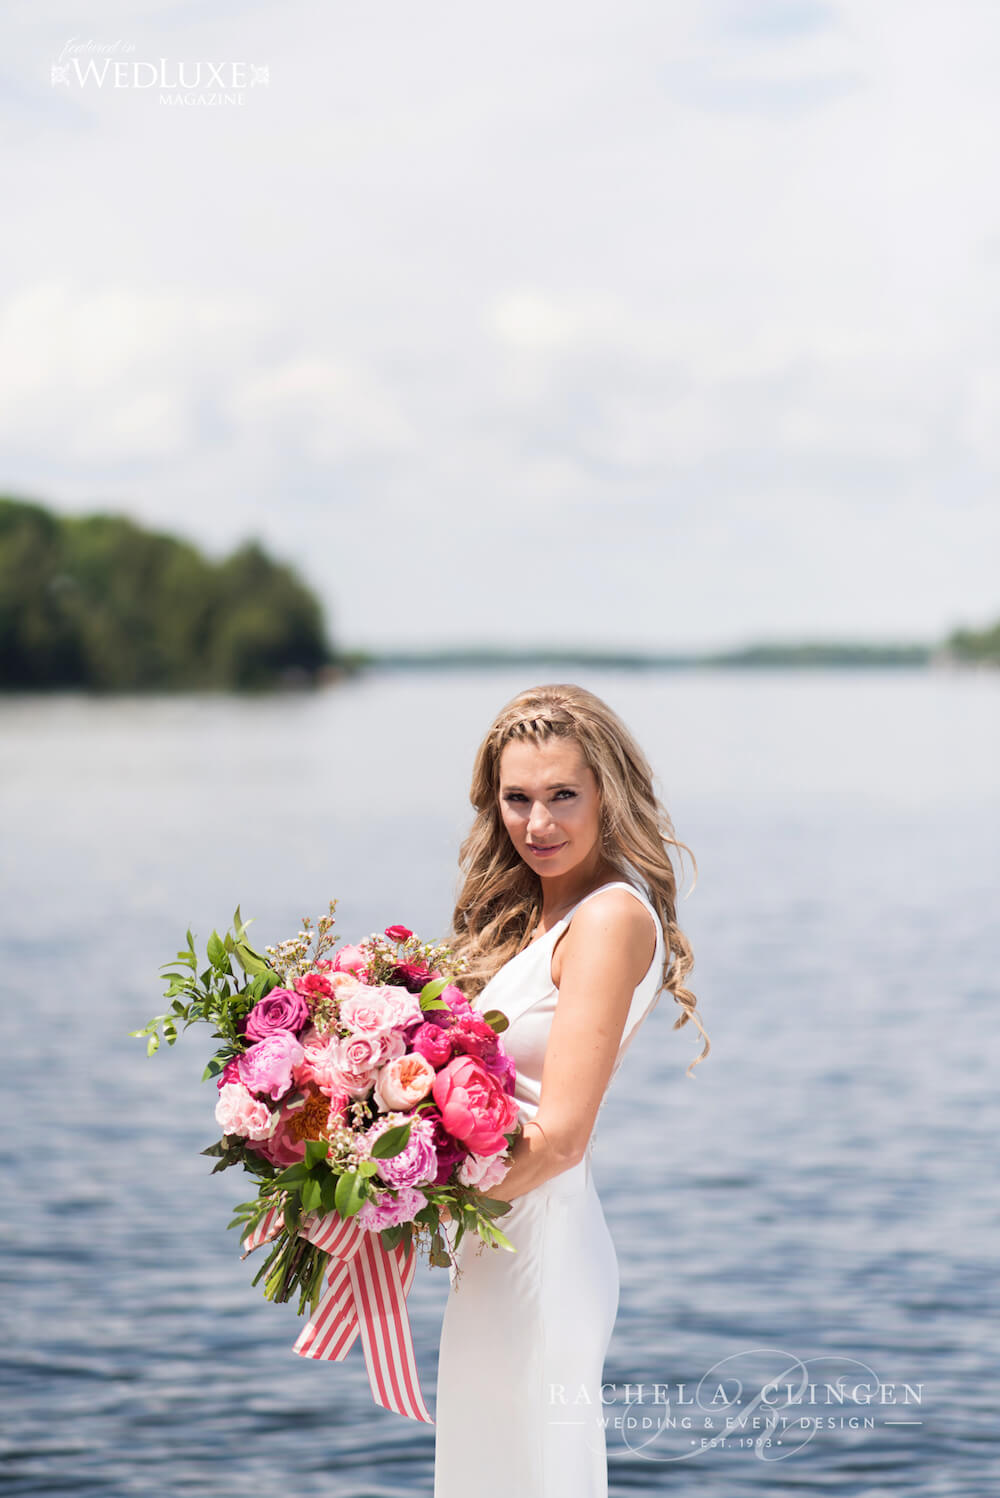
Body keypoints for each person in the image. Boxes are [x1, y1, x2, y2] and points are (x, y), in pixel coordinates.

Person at [433, 683, 710, 1498]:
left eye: (563, 796)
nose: (538, 825)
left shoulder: (609, 919)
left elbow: (559, 1139)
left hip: (538, 1248)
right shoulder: (540, 915)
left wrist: (398, 1185)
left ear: (608, 794)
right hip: (494, 1238)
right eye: (517, 799)